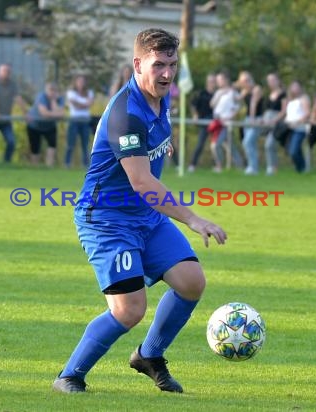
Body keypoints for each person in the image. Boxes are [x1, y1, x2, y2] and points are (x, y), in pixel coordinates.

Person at [53, 28, 227, 394]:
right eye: (158, 65)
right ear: (137, 64)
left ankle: (149, 356)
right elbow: (143, 184)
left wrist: (166, 146)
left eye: (172, 65)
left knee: (191, 282)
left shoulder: (160, 97)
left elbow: (157, 137)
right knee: (129, 311)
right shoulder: (125, 115)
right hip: (106, 220)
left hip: (145, 218)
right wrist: (194, 219)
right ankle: (70, 376)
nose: (167, 74)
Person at [0, 63, 28, 163]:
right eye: (4, 71)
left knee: (11, 142)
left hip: (6, 120)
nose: (6, 73)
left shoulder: (13, 84)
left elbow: (18, 98)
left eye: (8, 71)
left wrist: (25, 113)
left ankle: (6, 163)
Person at [209, 71, 242, 172]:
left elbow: (238, 107)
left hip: (226, 124)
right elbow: (212, 104)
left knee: (215, 145)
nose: (218, 82)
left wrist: (230, 117)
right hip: (217, 122)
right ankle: (240, 166)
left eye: (220, 80)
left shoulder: (233, 92)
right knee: (231, 146)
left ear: (226, 80)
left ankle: (219, 166)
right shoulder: (218, 92)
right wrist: (219, 95)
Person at [26, 83, 65, 167]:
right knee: (35, 149)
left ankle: (49, 167)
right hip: (35, 125)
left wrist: (53, 101)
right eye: (50, 90)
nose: (52, 93)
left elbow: (61, 114)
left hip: (49, 126)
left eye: (54, 90)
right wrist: (56, 114)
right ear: (46, 90)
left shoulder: (60, 99)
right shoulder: (41, 97)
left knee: (52, 146)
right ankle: (34, 167)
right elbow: (44, 113)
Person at [237, 71, 264, 175]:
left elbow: (253, 104)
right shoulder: (245, 91)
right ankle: (251, 166)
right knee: (247, 143)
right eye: (243, 81)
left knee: (248, 142)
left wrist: (252, 119)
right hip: (247, 118)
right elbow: (237, 99)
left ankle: (254, 167)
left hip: (256, 118)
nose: (246, 83)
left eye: (247, 80)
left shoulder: (256, 89)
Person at [188, 73, 216, 172]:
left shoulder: (217, 94)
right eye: (210, 81)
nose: (212, 83)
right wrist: (195, 115)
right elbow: (193, 104)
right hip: (203, 123)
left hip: (215, 123)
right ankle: (192, 165)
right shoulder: (201, 93)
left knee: (216, 145)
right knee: (200, 144)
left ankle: (217, 165)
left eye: (214, 81)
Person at [65, 74, 95, 168]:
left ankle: (85, 165)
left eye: (83, 81)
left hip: (85, 121)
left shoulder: (89, 92)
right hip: (74, 120)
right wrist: (83, 104)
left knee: (85, 145)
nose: (81, 83)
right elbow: (75, 105)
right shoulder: (70, 92)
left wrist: (79, 104)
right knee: (70, 144)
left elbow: (88, 104)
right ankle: (67, 163)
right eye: (79, 81)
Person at [263, 73, 287, 175]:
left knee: (270, 144)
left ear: (278, 80)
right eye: (269, 81)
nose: (271, 83)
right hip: (267, 122)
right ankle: (271, 166)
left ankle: (272, 167)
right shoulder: (269, 95)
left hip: (277, 123)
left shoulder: (283, 95)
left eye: (273, 80)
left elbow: (284, 111)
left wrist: (275, 120)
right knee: (268, 145)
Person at [284, 81, 311, 173]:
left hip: (299, 128)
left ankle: (301, 167)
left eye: (296, 87)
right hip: (289, 128)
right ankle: (299, 169)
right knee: (293, 150)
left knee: (294, 150)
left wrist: (298, 122)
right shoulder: (290, 100)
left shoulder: (303, 99)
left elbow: (307, 113)